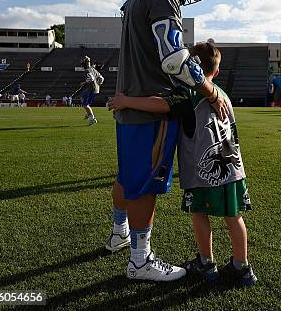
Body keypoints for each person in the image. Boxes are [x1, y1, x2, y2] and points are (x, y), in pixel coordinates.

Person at [106, 0, 227, 282]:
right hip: (150, 107)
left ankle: (119, 233)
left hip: (132, 104)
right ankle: (140, 260)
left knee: (128, 177)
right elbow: (174, 59)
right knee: (145, 185)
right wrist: (210, 90)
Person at [108, 43, 257, 286]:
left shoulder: (188, 92)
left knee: (199, 214)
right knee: (234, 216)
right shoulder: (222, 95)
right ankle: (242, 268)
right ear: (216, 73)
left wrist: (127, 100)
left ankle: (206, 264)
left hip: (203, 171)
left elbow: (161, 104)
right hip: (233, 170)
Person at [77, 56, 103, 126]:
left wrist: (84, 83)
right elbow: (101, 78)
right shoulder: (93, 69)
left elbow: (90, 79)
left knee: (85, 105)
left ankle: (92, 118)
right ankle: (88, 113)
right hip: (95, 89)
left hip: (91, 89)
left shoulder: (87, 70)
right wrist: (98, 84)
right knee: (83, 97)